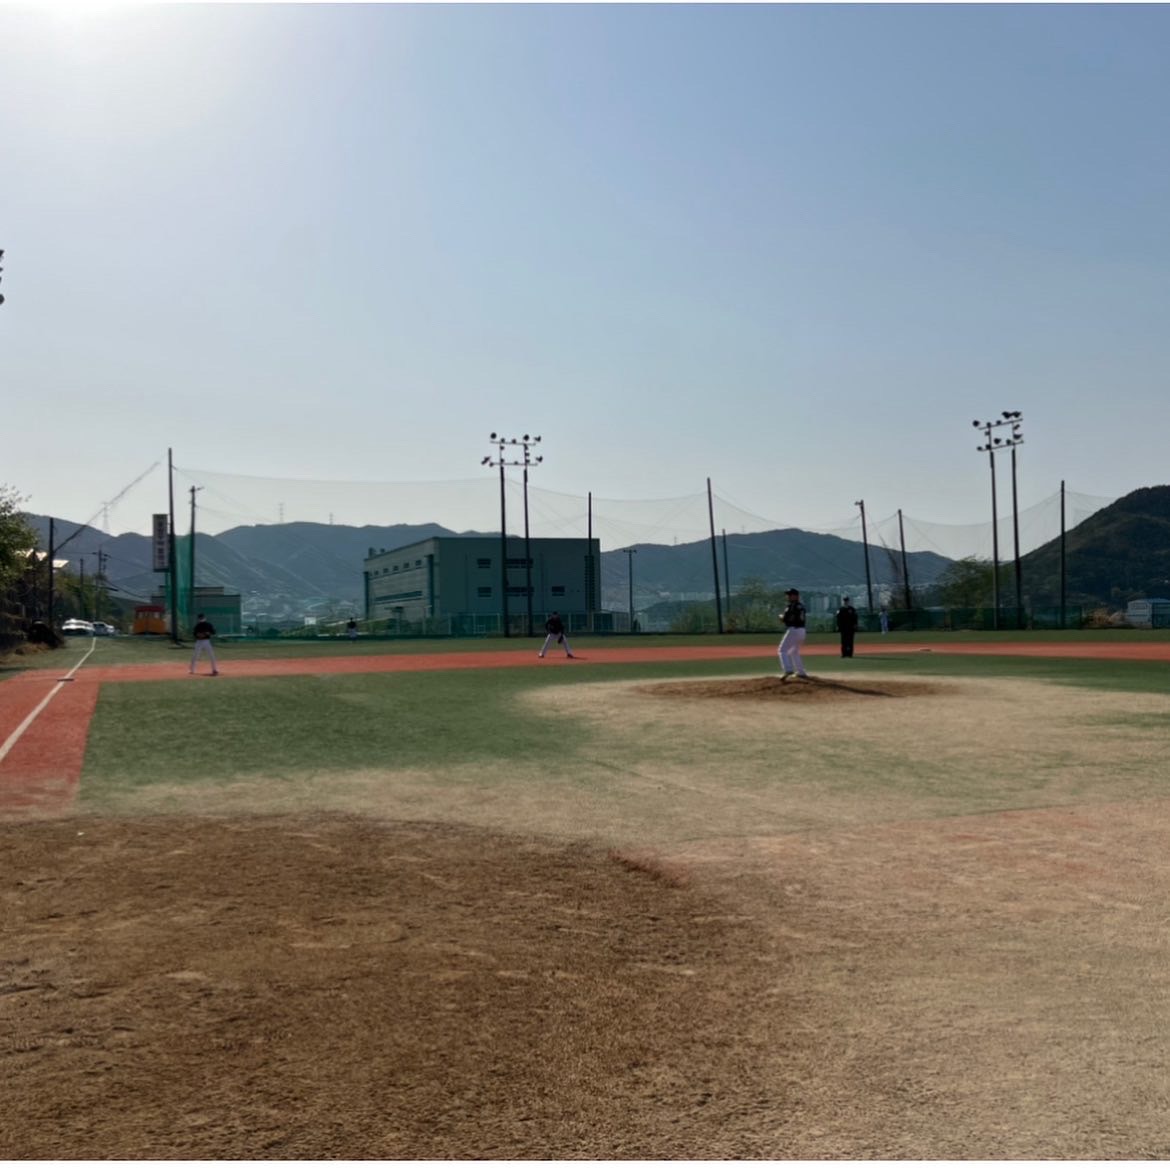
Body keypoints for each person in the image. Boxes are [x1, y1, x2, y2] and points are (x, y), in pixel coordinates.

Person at [778, 588, 808, 680]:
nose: (788, 597)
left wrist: (781, 617)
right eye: (788, 595)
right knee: (794, 651)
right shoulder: (801, 606)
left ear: (796, 596)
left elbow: (786, 619)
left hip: (793, 629)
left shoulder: (791, 606)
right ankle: (801, 672)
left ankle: (788, 669)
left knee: (782, 650)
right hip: (802, 630)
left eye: (790, 595)